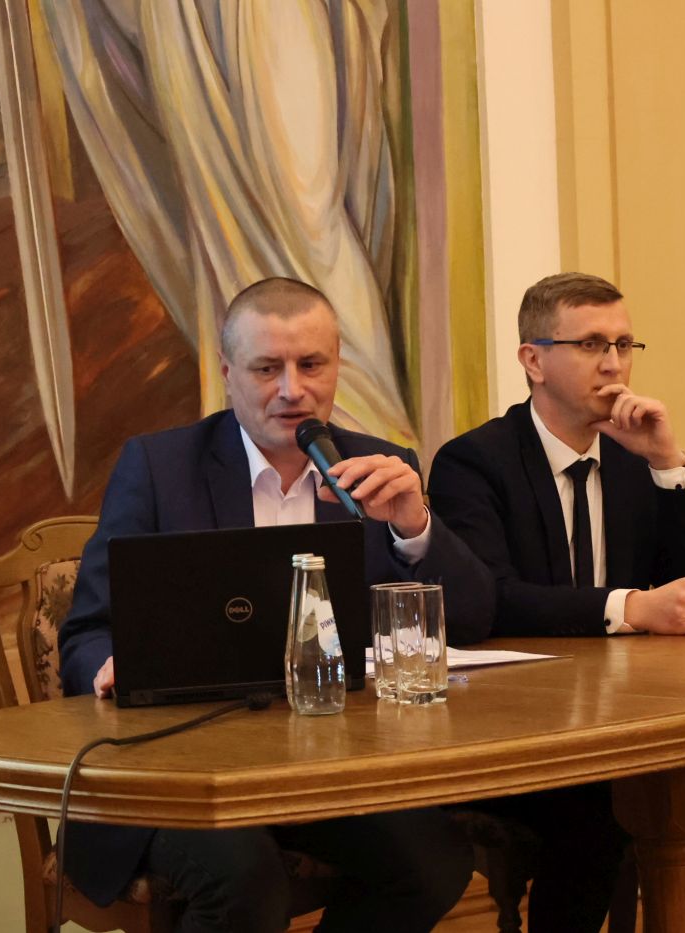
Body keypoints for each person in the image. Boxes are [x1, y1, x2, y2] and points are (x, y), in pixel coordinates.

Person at [57, 277, 496, 933]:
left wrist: (414, 523)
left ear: (337, 366)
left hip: (323, 768)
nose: (293, 390)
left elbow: (475, 617)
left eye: (312, 365)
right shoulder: (159, 467)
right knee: (244, 880)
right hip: (180, 771)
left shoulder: (377, 466)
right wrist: (109, 665)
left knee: (435, 864)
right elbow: (87, 630)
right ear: (228, 373)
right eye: (268, 369)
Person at [429, 272, 685, 933]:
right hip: (514, 725)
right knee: (598, 812)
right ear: (533, 359)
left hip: (631, 716)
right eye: (592, 344)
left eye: (624, 344)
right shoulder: (474, 462)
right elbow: (492, 600)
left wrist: (668, 462)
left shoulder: (631, 459)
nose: (615, 364)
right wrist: (632, 607)